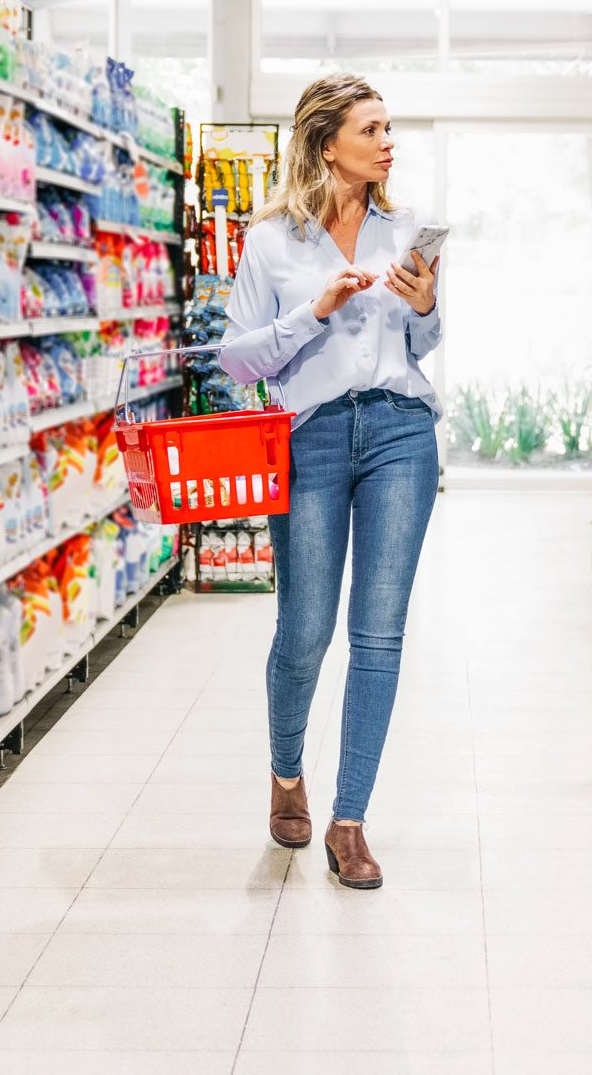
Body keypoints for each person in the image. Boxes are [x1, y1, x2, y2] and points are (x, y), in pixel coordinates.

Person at [217, 73, 442, 890]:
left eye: (389, 127)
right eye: (373, 128)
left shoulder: (408, 227)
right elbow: (237, 358)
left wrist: (424, 307)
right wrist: (308, 314)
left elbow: (424, 344)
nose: (389, 141)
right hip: (308, 438)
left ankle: (350, 821)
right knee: (305, 630)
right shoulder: (273, 238)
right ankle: (286, 771)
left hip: (399, 434)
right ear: (326, 142)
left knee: (378, 632)